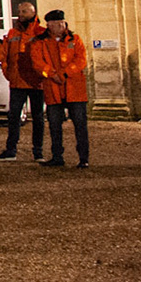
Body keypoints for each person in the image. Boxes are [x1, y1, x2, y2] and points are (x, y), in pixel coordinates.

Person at [29, 9, 89, 168]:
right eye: (56, 23)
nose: (60, 26)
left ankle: (83, 158)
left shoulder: (75, 39)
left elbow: (81, 60)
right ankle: (57, 156)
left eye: (62, 23)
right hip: (53, 88)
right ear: (49, 25)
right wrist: (51, 74)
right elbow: (37, 63)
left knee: (80, 125)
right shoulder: (39, 42)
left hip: (74, 89)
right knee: (54, 126)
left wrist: (63, 74)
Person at [0, 1, 47, 162]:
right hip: (17, 81)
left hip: (36, 82)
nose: (21, 14)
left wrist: (44, 75)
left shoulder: (41, 33)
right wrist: (8, 73)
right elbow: (5, 55)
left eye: (24, 11)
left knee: (38, 117)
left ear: (33, 13)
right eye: (20, 11)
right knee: (13, 117)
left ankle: (38, 151)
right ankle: (11, 150)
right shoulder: (13, 33)